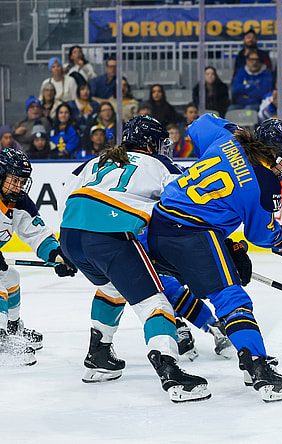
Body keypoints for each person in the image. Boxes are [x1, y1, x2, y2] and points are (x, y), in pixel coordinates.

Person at [146, 115, 282, 403]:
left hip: (156, 226)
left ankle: (218, 337)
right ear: (270, 151)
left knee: (168, 284)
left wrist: (232, 131)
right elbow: (261, 234)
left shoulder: (230, 136)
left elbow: (199, 124)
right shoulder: (264, 182)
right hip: (193, 235)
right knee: (232, 298)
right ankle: (259, 369)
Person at [60, 115, 210, 402]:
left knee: (112, 287)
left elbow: (68, 195)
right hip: (111, 235)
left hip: (71, 234)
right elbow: (184, 205)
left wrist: (66, 248)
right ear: (151, 142)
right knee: (156, 302)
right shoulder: (161, 165)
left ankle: (99, 355)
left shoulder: (94, 161)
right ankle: (169, 370)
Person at [0, 148, 77, 365]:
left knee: (11, 278)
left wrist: (57, 255)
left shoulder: (19, 203)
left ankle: (11, 329)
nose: (18, 186)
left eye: (22, 182)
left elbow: (38, 234)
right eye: (14, 180)